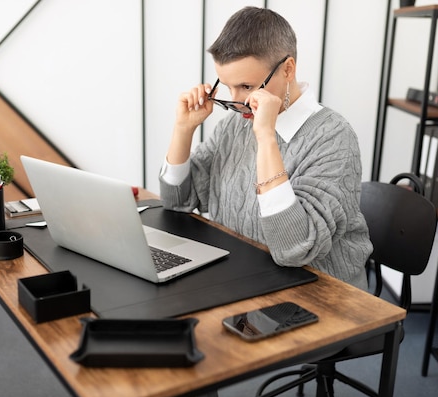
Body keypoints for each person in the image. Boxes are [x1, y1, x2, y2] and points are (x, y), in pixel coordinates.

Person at [159, 6, 373, 292]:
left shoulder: (334, 137)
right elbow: (177, 201)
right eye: (229, 86)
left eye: (247, 86)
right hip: (246, 281)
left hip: (322, 297)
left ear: (287, 69)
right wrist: (183, 129)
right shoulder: (235, 126)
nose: (237, 102)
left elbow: (294, 249)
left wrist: (266, 139)